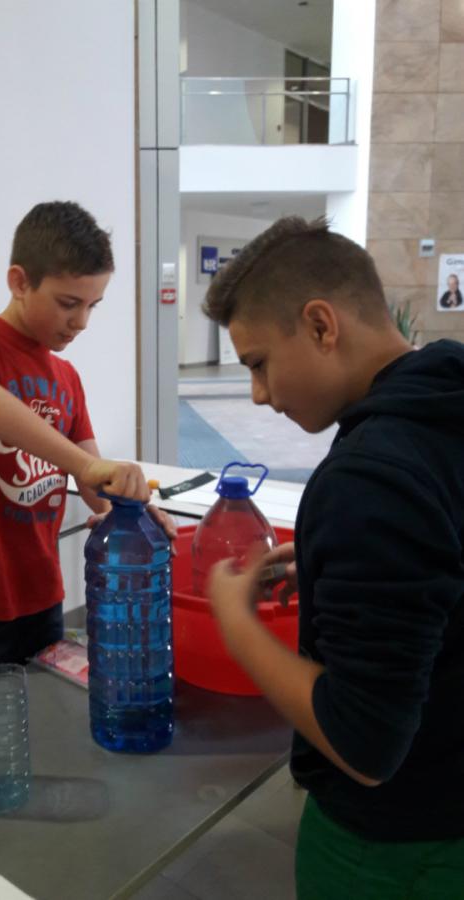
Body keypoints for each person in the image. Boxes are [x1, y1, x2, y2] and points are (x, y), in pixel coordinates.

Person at [202, 216, 464, 899]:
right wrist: (331, 559)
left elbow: (364, 743)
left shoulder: (371, 478)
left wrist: (237, 624)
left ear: (321, 326)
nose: (259, 394)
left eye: (258, 363)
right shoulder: (444, 401)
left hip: (397, 847)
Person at [0, 201, 172, 711]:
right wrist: (84, 465)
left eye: (93, 306)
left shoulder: (66, 378)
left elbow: (96, 485)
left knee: (44, 733)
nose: (82, 322)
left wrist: (132, 512)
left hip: (40, 601)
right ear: (19, 281)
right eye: (69, 303)